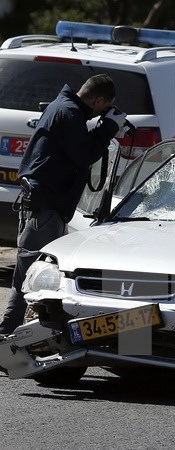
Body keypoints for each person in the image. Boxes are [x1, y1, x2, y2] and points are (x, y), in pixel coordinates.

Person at [0, 74, 127, 335]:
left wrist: (103, 127)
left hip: (41, 201)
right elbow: (85, 155)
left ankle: (18, 331)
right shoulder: (69, 113)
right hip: (46, 205)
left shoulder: (64, 107)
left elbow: (76, 147)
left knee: (32, 268)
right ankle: (8, 332)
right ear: (99, 100)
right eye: (104, 107)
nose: (102, 113)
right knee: (32, 271)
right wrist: (108, 128)